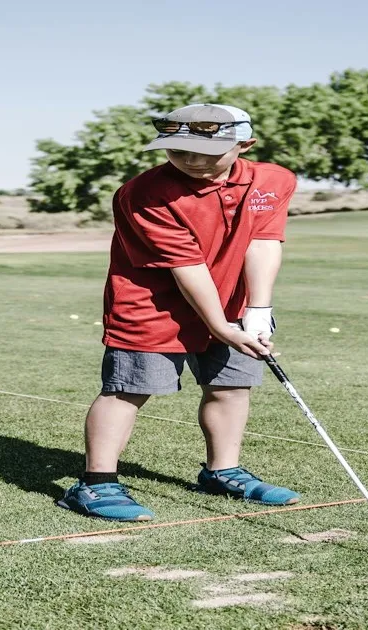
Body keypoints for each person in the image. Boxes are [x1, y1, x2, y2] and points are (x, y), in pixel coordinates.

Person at [57, 103, 301, 522]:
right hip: (152, 305)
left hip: (230, 302)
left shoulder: (274, 180)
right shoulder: (145, 193)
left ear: (244, 144)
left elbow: (263, 241)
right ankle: (96, 485)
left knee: (231, 385)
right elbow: (186, 266)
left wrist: (258, 309)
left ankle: (222, 472)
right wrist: (219, 325)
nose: (190, 161)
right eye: (178, 151)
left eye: (206, 153)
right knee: (128, 389)